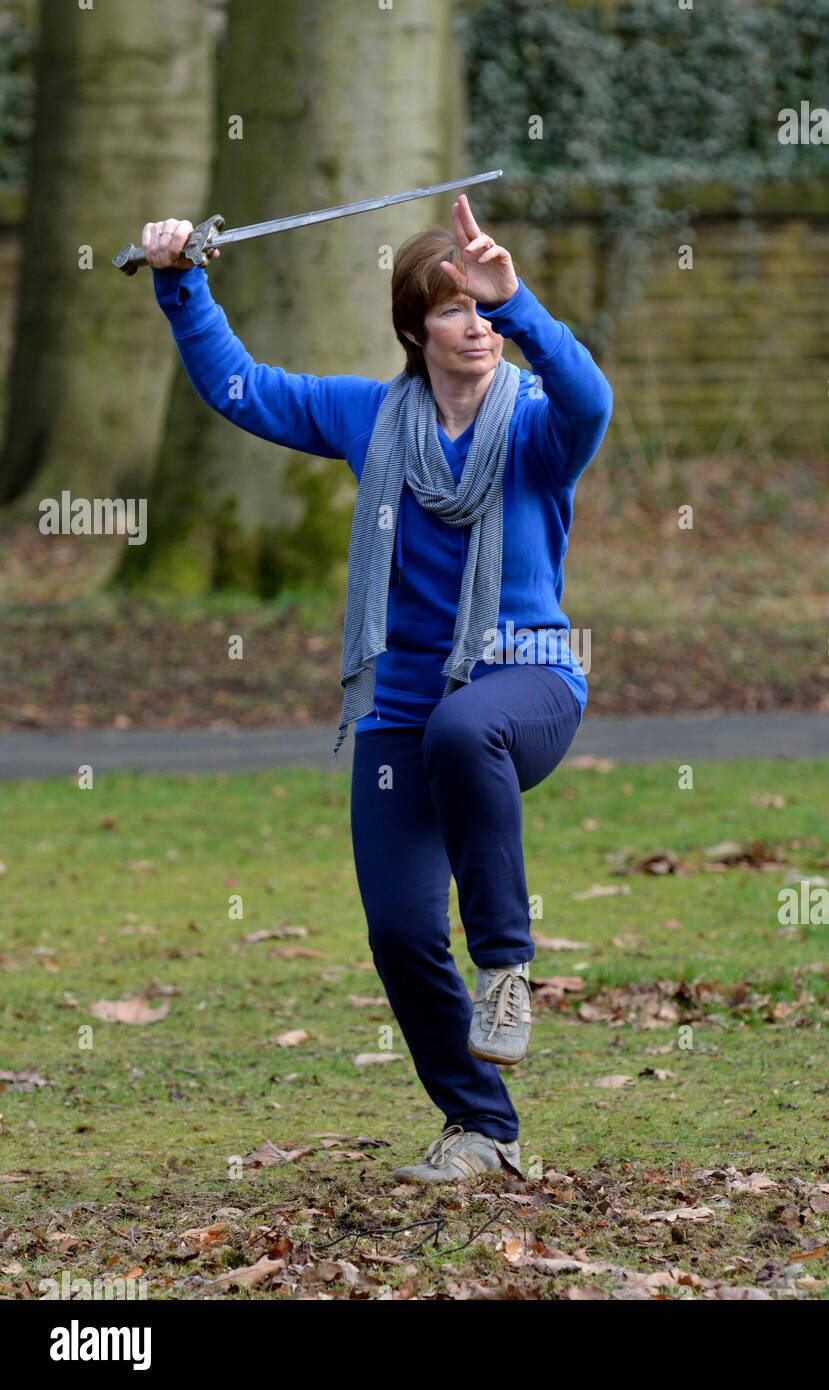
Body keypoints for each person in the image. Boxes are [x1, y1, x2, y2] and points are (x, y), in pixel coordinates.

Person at [144, 193, 613, 1183]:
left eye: (485, 309)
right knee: (399, 930)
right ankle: (481, 1127)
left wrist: (519, 301)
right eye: (454, 309)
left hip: (526, 677)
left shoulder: (534, 429)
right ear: (414, 329)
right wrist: (183, 281)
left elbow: (590, 398)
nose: (475, 325)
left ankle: (503, 967)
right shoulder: (372, 419)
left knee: (463, 728)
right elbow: (241, 389)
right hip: (400, 706)